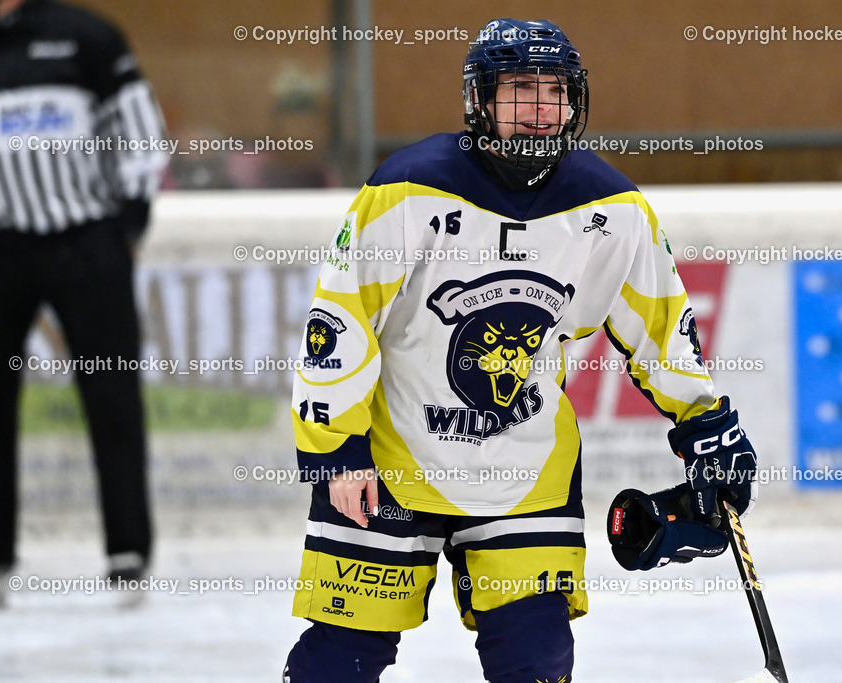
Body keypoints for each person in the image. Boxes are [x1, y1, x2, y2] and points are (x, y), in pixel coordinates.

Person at [284, 18, 758, 682]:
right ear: (480, 102)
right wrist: (335, 449)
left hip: (520, 471)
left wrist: (704, 421)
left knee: (535, 660)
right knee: (340, 659)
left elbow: (660, 324)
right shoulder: (407, 191)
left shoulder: (611, 208)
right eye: (519, 91)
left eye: (555, 93)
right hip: (389, 465)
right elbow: (342, 322)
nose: (540, 109)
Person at [0, 0, 168, 608]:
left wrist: (126, 226)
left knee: (111, 396)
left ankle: (127, 551)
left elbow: (138, 126)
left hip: (84, 242)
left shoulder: (83, 35)